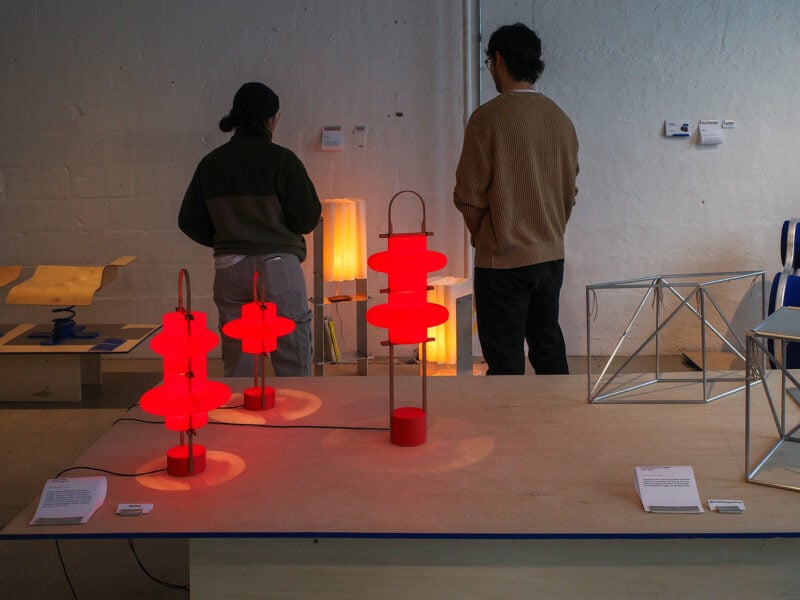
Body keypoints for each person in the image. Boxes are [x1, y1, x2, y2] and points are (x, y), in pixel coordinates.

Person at [453, 23, 579, 376]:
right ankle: (559, 410)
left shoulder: (487, 119)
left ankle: (509, 415)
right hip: (550, 256)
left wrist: (482, 236)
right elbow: (569, 193)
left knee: (505, 360)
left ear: (498, 60)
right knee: (548, 347)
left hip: (501, 260)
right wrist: (549, 232)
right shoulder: (560, 119)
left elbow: (468, 197)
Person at [179, 82, 321, 377]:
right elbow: (307, 219)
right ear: (271, 119)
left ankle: (241, 404)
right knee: (291, 348)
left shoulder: (211, 163)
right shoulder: (282, 161)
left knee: (238, 354)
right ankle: (297, 405)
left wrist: (225, 237)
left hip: (229, 266)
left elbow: (189, 220)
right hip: (279, 266)